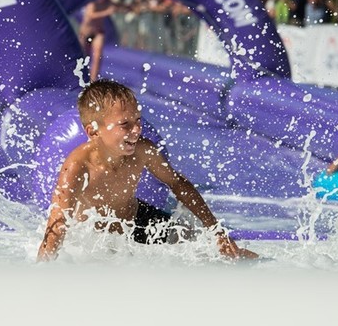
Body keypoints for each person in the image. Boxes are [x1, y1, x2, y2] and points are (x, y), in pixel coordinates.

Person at [37, 80, 258, 261]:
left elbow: (178, 183)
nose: (137, 130)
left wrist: (216, 232)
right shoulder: (77, 168)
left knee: (215, 253)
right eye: (125, 124)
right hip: (93, 239)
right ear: (93, 131)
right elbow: (57, 224)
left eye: (138, 121)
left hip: (138, 222)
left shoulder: (142, 151)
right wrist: (42, 272)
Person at [78, 0, 115, 81]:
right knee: (84, 56)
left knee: (97, 56)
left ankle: (93, 79)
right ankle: (82, 77)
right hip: (86, 33)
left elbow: (118, 6)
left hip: (98, 32)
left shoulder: (107, 2)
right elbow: (91, 15)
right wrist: (107, 12)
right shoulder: (92, 2)